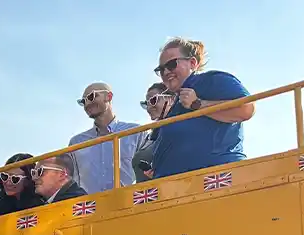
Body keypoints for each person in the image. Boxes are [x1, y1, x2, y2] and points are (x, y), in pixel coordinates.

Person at [151, 37, 253, 178]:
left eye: (172, 64)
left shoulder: (211, 80)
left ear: (192, 63)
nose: (167, 72)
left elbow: (246, 108)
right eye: (161, 70)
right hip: (176, 188)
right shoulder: (174, 107)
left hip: (218, 179)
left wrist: (198, 104)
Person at [69, 82, 143, 192]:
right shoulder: (76, 143)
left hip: (130, 204)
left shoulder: (136, 133)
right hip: (91, 207)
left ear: (109, 97)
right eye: (83, 101)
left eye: (91, 96)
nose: (87, 103)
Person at [0, 153, 46, 221]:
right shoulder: (3, 206)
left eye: (15, 179)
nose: (8, 183)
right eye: (4, 176)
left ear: (28, 180)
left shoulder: (42, 206)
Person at [133, 83, 175, 182]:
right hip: (145, 194)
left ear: (171, 99)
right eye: (146, 103)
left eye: (153, 101)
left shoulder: (179, 129)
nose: (148, 108)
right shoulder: (149, 136)